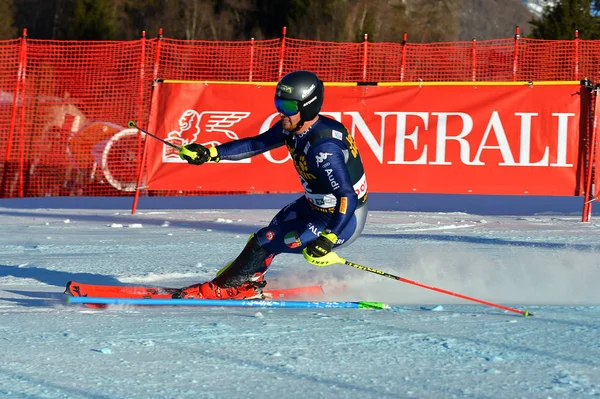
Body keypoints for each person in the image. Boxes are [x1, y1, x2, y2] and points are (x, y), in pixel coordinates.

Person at [177, 70, 368, 299]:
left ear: (307, 107)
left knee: (264, 241)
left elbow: (347, 196)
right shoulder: (296, 127)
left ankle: (225, 288)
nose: (281, 112)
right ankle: (249, 280)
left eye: (288, 107)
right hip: (315, 206)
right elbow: (257, 144)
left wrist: (329, 238)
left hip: (342, 218)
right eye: (279, 103)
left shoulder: (323, 149)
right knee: (275, 228)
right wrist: (211, 153)